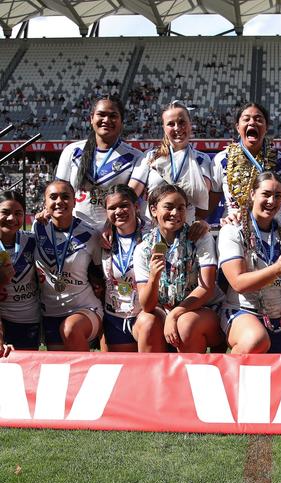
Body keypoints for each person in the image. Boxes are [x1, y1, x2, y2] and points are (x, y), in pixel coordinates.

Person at [133, 184, 221, 353]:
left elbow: (207, 288)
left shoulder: (200, 237)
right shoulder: (144, 248)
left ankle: (190, 377)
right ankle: (153, 378)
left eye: (181, 208)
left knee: (185, 323)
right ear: (153, 210)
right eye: (168, 207)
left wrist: (175, 314)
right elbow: (147, 306)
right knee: (148, 322)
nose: (175, 213)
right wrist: (153, 278)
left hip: (200, 308)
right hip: (161, 309)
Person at [218, 171, 281, 353]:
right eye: (266, 194)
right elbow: (238, 283)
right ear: (252, 194)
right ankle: (228, 378)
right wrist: (276, 269)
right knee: (256, 339)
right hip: (243, 311)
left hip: (279, 317)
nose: (272, 201)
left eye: (278, 196)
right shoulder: (233, 230)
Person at [54, 95, 144, 227]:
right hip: (75, 233)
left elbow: (128, 201)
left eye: (113, 116)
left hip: (112, 234)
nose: (106, 120)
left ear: (121, 121)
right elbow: (58, 193)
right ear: (91, 118)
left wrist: (108, 227)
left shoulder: (136, 157)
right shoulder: (72, 151)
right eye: (101, 114)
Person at [34, 181, 103, 351]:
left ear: (74, 201)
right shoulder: (38, 227)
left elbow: (101, 276)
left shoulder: (91, 234)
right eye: (53, 197)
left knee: (70, 329)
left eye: (65, 197)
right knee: (60, 371)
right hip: (50, 313)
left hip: (84, 309)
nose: (59, 201)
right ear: (45, 203)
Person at [211, 103, 281, 226]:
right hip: (234, 229)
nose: (252, 123)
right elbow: (207, 207)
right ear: (237, 127)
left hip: (271, 234)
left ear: (266, 127)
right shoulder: (222, 160)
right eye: (246, 119)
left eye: (258, 119)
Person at [129, 100, 213, 224]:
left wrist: (156, 193)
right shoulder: (150, 156)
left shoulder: (201, 159)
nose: (177, 128)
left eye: (182, 122)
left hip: (185, 230)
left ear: (190, 124)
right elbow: (130, 194)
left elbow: (199, 194)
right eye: (171, 124)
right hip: (151, 230)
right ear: (164, 127)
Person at [101, 185, 143, 352]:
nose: (118, 211)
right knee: (124, 373)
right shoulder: (101, 237)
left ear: (136, 206)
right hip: (115, 315)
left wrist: (202, 225)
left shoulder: (152, 235)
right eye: (112, 207)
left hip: (143, 315)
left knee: (146, 370)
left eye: (124, 205)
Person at [0, 191, 40, 350]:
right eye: (5, 212)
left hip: (28, 321)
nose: (12, 219)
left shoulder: (32, 240)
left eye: (18, 213)